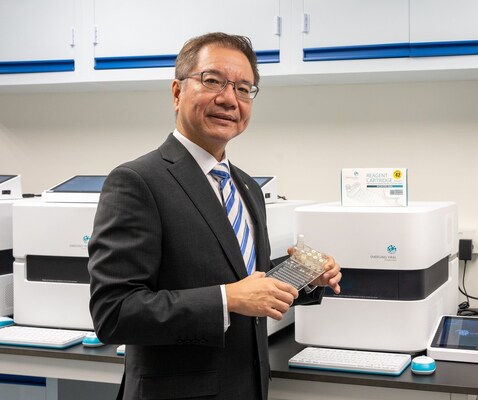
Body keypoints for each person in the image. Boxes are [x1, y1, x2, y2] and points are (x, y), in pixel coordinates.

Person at [87, 32, 342, 400]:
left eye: (243, 89)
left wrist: (304, 278)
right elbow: (114, 313)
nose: (229, 99)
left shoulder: (248, 187)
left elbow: (245, 281)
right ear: (177, 92)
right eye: (212, 81)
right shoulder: (137, 181)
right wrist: (228, 299)